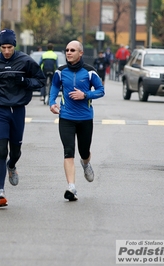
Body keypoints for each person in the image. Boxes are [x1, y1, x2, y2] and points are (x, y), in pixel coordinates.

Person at [0, 29, 45, 207]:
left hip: (17, 110)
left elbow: (40, 81)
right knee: (1, 150)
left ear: (14, 45)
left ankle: (12, 165)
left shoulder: (25, 61)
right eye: (3, 47)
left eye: (9, 47)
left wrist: (24, 82)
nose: (6, 51)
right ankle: (0, 192)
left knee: (15, 152)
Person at [49, 40, 105, 201]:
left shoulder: (89, 72)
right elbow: (54, 87)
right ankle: (71, 187)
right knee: (68, 151)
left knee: (84, 151)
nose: (68, 52)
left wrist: (85, 95)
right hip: (66, 117)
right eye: (66, 50)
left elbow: (101, 90)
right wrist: (52, 102)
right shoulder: (60, 72)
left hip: (85, 118)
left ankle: (86, 163)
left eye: (72, 50)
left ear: (80, 53)